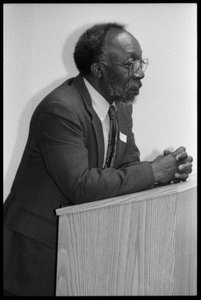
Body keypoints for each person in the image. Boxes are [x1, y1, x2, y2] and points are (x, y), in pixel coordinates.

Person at [3, 22, 193, 296]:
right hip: (33, 254)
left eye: (141, 62)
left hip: (78, 250)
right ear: (98, 69)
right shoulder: (60, 109)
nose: (140, 73)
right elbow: (81, 185)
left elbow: (127, 167)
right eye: (131, 64)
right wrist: (153, 172)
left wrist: (166, 174)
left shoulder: (121, 107)